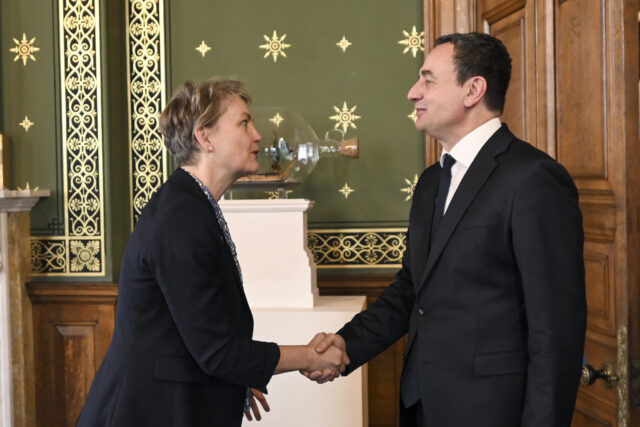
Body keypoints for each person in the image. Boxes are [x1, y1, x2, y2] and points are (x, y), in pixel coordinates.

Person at [306, 32, 587, 427]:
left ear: (473, 90)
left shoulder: (534, 178)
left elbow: (555, 331)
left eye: (428, 80)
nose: (413, 93)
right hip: (421, 404)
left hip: (493, 412)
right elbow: (411, 290)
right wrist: (346, 344)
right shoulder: (431, 182)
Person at [77, 79, 348, 427]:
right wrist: (309, 357)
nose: (258, 136)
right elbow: (217, 351)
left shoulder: (190, 205)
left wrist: (235, 380)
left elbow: (189, 335)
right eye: (244, 123)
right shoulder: (181, 216)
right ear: (205, 137)